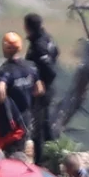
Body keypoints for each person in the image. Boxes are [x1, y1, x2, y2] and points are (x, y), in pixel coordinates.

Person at [0, 31, 43, 157]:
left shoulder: (5, 69)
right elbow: (39, 89)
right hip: (26, 117)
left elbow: (0, 90)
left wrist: (4, 104)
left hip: (12, 121)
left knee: (8, 152)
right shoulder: (31, 66)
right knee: (19, 149)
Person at [24, 13, 59, 164]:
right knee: (45, 124)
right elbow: (56, 52)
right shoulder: (47, 38)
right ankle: (53, 156)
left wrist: (40, 82)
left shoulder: (39, 45)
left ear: (27, 27)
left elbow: (49, 69)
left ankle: (40, 162)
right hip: (46, 89)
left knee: (38, 129)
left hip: (41, 91)